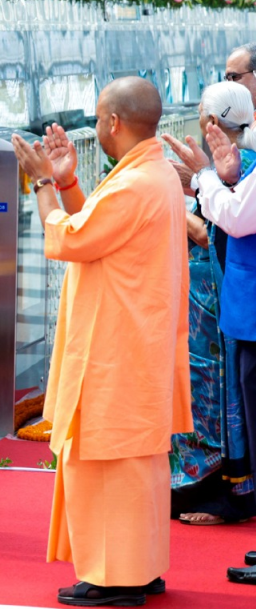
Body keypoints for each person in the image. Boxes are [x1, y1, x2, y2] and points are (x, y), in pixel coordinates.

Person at [12, 77, 190, 605]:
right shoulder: (151, 172)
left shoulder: (136, 182)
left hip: (117, 348)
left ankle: (117, 578)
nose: (94, 125)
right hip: (134, 342)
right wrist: (68, 182)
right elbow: (99, 229)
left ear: (114, 122)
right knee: (136, 465)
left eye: (96, 117)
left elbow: (71, 239)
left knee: (109, 461)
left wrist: (43, 183)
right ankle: (139, 567)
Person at [165, 99, 256, 586]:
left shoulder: (243, 165)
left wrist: (202, 183)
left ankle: (226, 493)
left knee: (225, 404)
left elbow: (229, 224)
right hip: (226, 312)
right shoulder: (238, 166)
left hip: (231, 309)